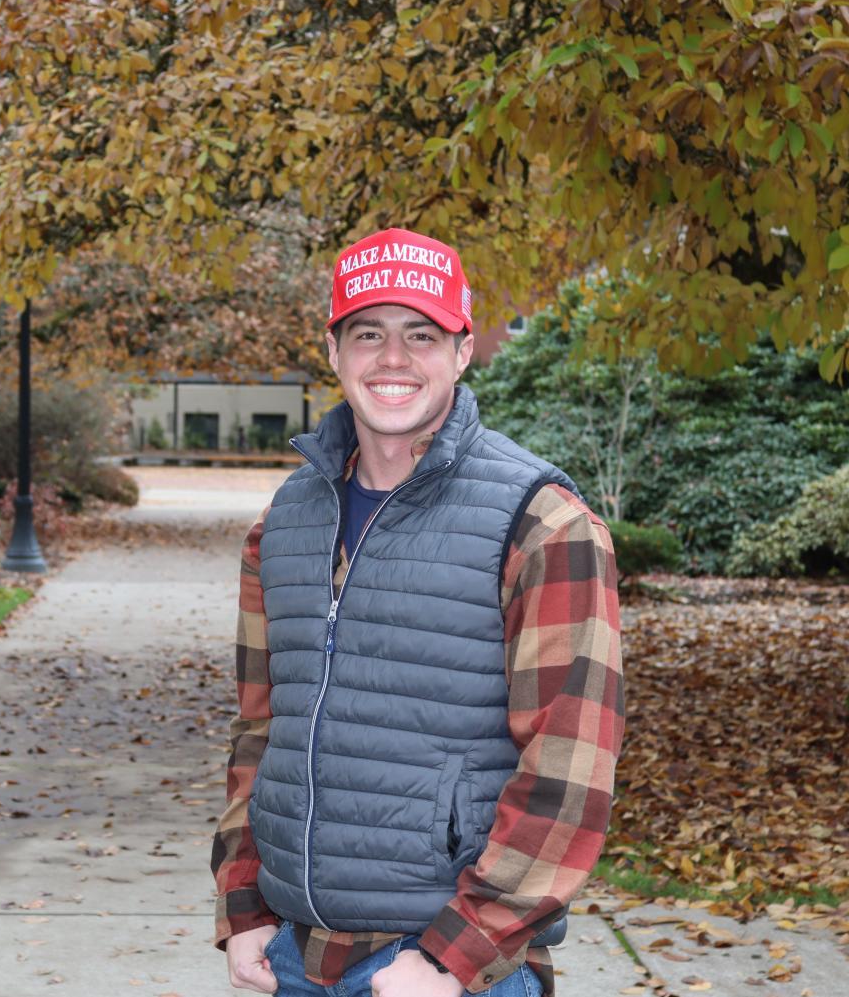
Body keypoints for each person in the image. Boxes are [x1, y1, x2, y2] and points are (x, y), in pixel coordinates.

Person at [211, 228, 624, 997]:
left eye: (421, 334)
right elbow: (258, 732)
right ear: (334, 350)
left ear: (462, 350)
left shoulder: (540, 523)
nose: (392, 359)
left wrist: (450, 958)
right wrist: (242, 906)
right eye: (368, 333)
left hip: (443, 968)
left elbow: (570, 770)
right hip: (295, 958)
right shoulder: (286, 521)